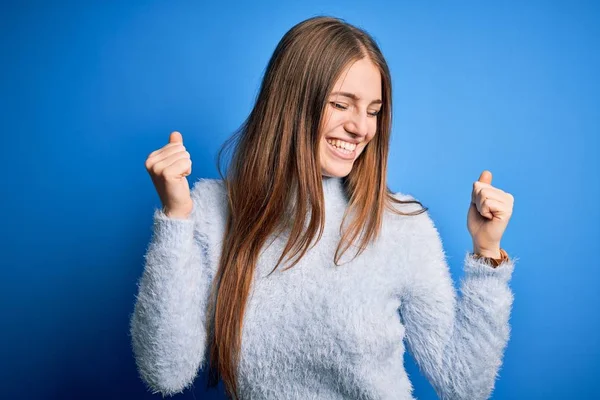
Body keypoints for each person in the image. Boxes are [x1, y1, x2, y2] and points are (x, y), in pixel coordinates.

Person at [129, 15, 517, 400]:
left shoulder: (401, 224)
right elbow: (165, 372)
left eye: (373, 110)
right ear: (291, 103)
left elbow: (463, 385)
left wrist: (487, 258)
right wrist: (176, 220)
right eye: (341, 104)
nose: (361, 128)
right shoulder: (213, 211)